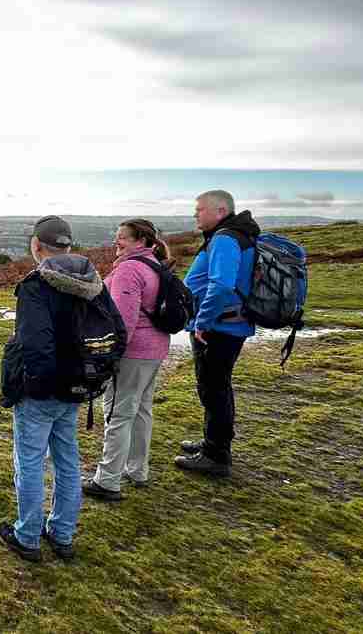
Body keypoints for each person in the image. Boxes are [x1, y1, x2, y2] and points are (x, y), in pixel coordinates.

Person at [0, 215, 94, 563]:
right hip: (77, 384)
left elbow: (34, 344)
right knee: (68, 460)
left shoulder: (37, 285)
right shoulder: (90, 280)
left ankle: (27, 536)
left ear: (37, 246)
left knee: (31, 461)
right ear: (68, 246)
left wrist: (30, 387)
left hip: (42, 390)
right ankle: (62, 533)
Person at [85, 219, 173, 501]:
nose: (116, 242)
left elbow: (123, 321)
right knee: (141, 410)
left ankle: (108, 480)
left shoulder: (129, 269)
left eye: (122, 237)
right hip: (155, 349)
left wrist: (109, 355)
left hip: (133, 353)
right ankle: (137, 469)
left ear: (142, 241)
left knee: (118, 414)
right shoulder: (154, 265)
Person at [177, 190, 260, 477]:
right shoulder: (234, 235)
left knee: (213, 388)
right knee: (216, 386)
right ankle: (213, 442)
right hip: (226, 325)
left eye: (200, 210)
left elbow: (222, 285)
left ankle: (216, 456)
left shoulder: (225, 238)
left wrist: (203, 321)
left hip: (219, 327)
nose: (195, 214)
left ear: (221, 210)